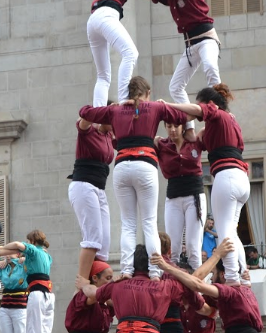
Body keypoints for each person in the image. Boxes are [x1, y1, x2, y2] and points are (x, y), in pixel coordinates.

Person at [79, 77, 191, 278]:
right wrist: (166, 104)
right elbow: (184, 116)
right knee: (148, 222)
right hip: (145, 164)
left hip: (122, 166)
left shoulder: (115, 110)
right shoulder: (155, 107)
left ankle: (126, 271)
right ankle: (155, 272)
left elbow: (84, 112)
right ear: (147, 92)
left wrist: (115, 107)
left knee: (128, 223)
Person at [164, 85, 251, 280]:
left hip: (226, 176)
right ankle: (243, 273)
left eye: (199, 106)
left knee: (224, 231)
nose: (198, 112)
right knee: (232, 231)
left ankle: (232, 278)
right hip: (241, 179)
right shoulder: (228, 121)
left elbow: (197, 112)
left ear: (210, 104)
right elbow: (194, 138)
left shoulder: (217, 115)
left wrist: (168, 105)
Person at [133, 0, 220, 114]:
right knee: (175, 87)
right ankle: (189, 126)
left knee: (210, 67)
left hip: (207, 38)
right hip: (190, 46)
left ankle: (221, 110)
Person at [86, 0, 157, 106]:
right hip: (106, 14)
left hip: (93, 19)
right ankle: (124, 101)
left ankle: (98, 112)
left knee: (103, 75)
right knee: (130, 53)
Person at [68, 116, 115, 281]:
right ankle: (81, 284)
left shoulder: (109, 136)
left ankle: (97, 285)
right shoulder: (88, 131)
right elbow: (83, 120)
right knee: (92, 238)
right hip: (84, 185)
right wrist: (98, 111)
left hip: (99, 190)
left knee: (103, 245)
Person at [156, 121, 207, 270]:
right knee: (172, 246)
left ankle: (198, 287)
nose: (172, 129)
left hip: (194, 196)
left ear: (183, 127)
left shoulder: (195, 141)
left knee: (193, 246)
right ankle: (173, 284)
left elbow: (211, 124)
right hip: (173, 197)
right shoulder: (161, 144)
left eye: (176, 126)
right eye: (169, 126)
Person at [0, 230, 55, 333]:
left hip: (37, 293)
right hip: (48, 294)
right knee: (44, 332)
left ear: (32, 241)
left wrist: (4, 248)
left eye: (28, 241)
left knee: (34, 331)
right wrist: (1, 252)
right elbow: (17, 253)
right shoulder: (46, 254)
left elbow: (18, 245)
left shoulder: (33, 250)